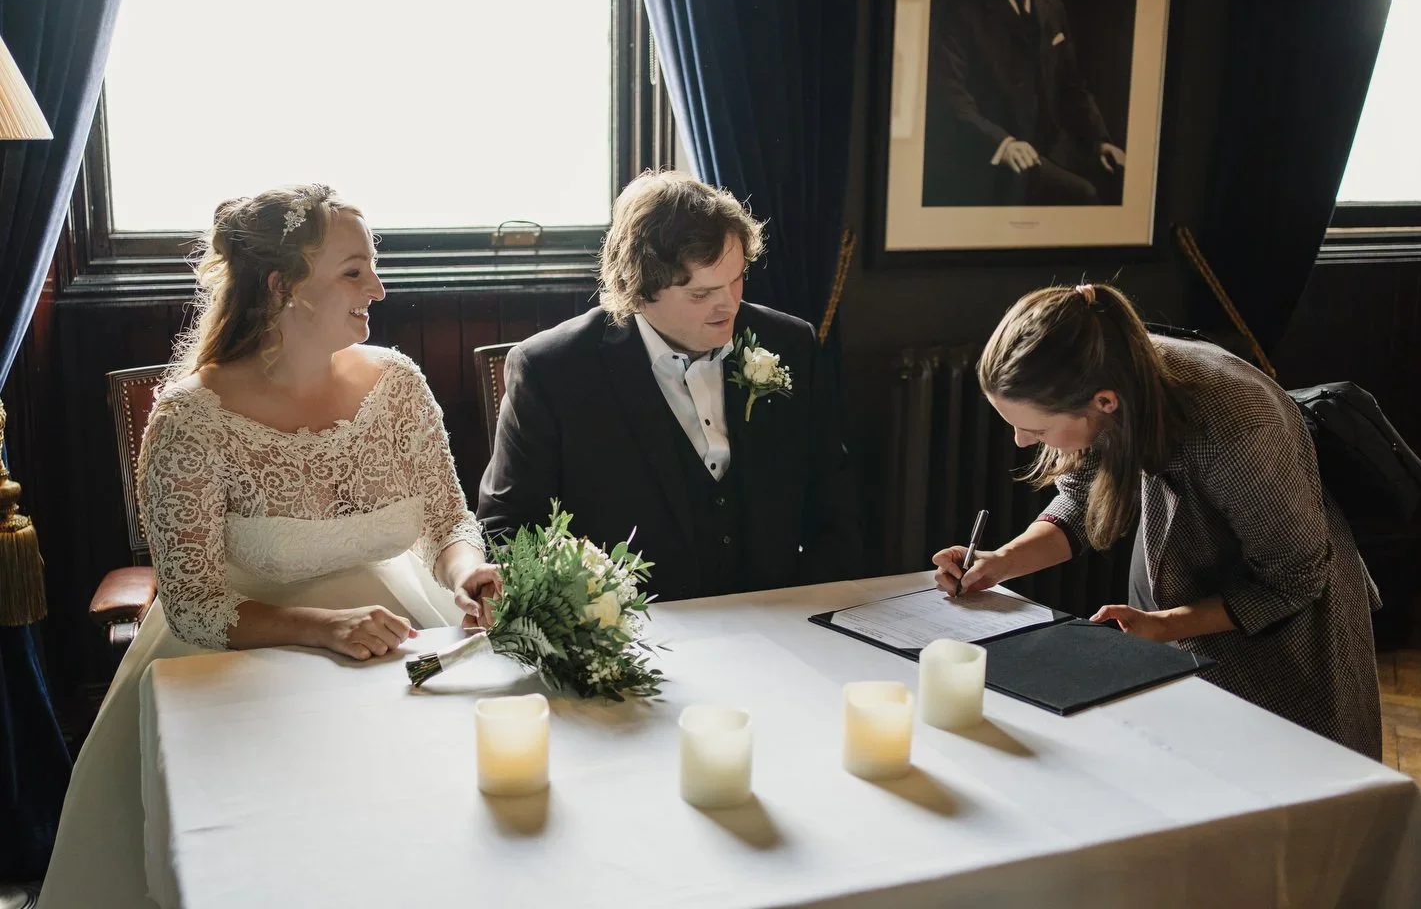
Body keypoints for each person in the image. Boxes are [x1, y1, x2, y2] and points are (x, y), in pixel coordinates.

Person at [38, 185, 500, 909]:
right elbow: (192, 605)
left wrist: (470, 574)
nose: (377, 287)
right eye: (353, 271)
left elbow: (448, 521)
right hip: (235, 671)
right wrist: (325, 627)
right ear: (285, 288)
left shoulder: (399, 385)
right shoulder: (191, 418)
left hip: (395, 640)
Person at [933, 283, 1382, 759]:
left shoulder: (1237, 430)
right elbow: (1082, 502)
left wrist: (1162, 626)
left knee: (1283, 787)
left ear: (1105, 402)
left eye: (1036, 429)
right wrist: (1001, 561)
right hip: (1176, 586)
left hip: (1286, 629)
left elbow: (1294, 579)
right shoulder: (1104, 370)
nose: (1023, 442)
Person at [477, 170, 861, 600]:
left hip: (782, 619)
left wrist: (808, 607)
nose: (729, 305)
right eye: (701, 294)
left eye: (736, 278)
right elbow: (507, 530)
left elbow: (836, 501)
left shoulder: (790, 343)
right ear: (638, 289)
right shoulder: (551, 371)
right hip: (637, 636)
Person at [924, 0, 1125, 207]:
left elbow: (1072, 86)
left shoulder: (1053, 8)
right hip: (990, 158)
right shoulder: (961, 10)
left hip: (1053, 151)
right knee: (1085, 196)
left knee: (1119, 190)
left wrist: (1099, 140)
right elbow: (948, 95)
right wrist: (1001, 144)